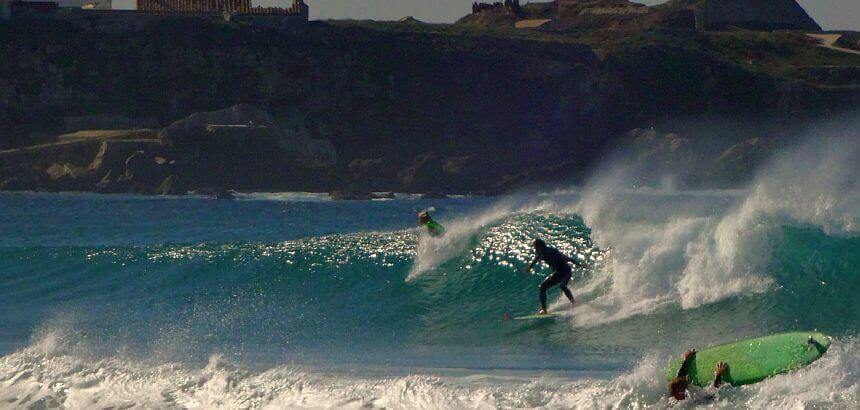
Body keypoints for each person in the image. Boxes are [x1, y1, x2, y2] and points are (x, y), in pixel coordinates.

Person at [524, 238, 588, 315]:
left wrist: (580, 265)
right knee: (542, 287)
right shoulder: (541, 253)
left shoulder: (550, 252)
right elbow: (536, 259)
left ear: (539, 247)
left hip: (565, 271)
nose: (535, 249)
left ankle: (574, 303)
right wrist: (530, 267)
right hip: (558, 272)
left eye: (535, 247)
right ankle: (544, 310)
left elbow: (566, 258)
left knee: (562, 286)